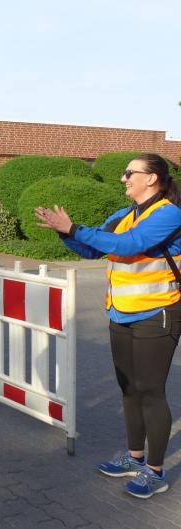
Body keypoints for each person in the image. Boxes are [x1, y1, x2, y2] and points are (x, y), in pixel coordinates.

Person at [36, 153, 181, 499]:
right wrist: (65, 233)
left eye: (130, 173)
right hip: (120, 313)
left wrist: (74, 228)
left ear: (152, 178)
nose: (123, 178)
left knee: (150, 390)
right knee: (129, 388)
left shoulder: (170, 214)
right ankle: (134, 457)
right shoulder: (123, 215)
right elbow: (92, 250)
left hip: (157, 312)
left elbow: (129, 245)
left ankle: (155, 472)